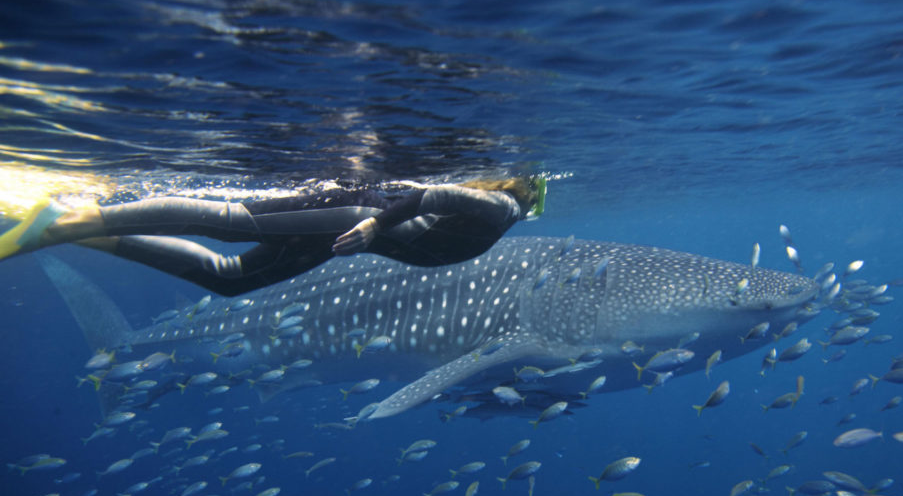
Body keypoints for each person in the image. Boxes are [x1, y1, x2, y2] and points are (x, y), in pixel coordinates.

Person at [0, 175, 545, 296]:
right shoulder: (499, 207)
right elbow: (433, 197)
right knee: (231, 222)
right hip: (351, 217)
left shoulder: (502, 214)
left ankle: (72, 232)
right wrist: (376, 224)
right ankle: (75, 217)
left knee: (231, 279)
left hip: (347, 236)